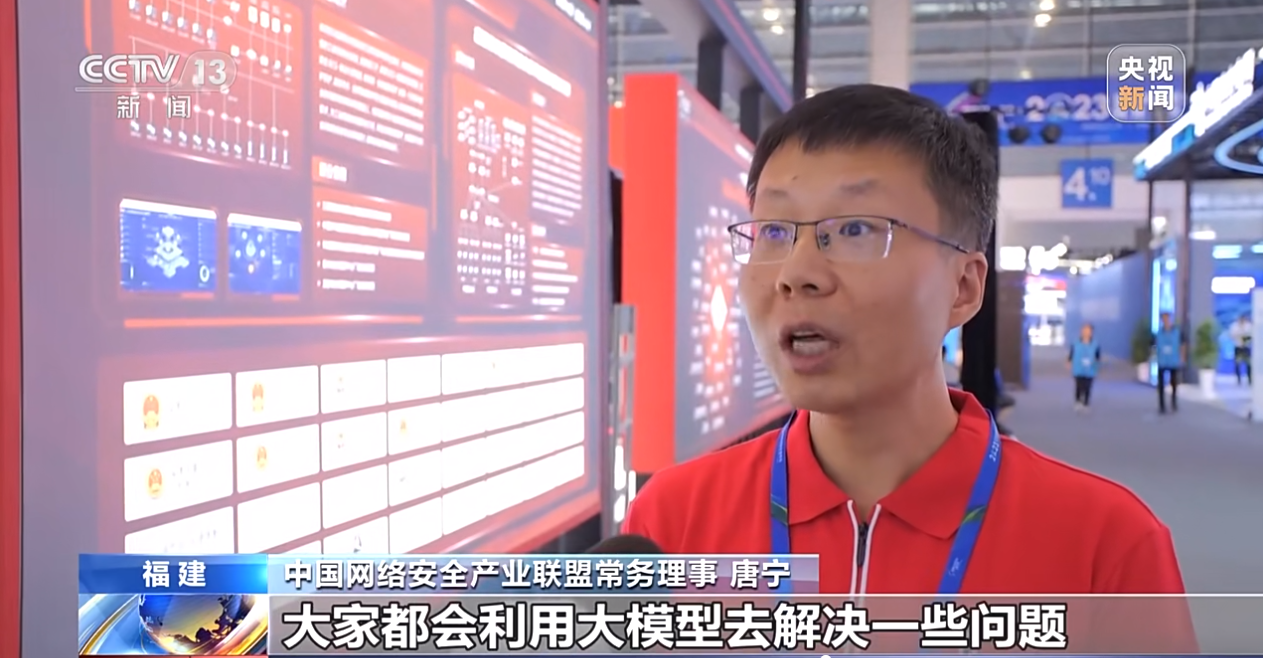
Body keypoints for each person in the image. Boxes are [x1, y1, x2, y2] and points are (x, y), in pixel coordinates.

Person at [623, 85, 1193, 650]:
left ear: (963, 287)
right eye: (774, 231)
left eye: (855, 229)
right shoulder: (672, 521)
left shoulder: (1104, 546)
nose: (797, 274)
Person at [1152, 312, 1186, 414]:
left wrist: (1182, 357)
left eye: (1167, 319)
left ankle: (1173, 403)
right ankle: (1162, 405)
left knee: (1174, 383)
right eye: (1164, 319)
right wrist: (1154, 356)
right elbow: (1154, 346)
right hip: (1162, 361)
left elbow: (1182, 345)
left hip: (1173, 361)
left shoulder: (1177, 332)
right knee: (1161, 384)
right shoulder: (1159, 333)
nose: (1166, 321)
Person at [1068, 323, 1101, 411]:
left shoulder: (1095, 344)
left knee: (1088, 386)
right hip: (1078, 368)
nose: (1086, 332)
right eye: (1084, 330)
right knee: (1079, 386)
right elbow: (1071, 353)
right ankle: (1078, 402)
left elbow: (1097, 356)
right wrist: (1069, 361)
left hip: (1090, 369)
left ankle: (1086, 403)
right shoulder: (1075, 343)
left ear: (1091, 332)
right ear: (1081, 331)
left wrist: (1097, 366)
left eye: (1088, 331)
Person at [1229, 313, 1252, 386]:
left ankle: (1250, 380)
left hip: (1246, 347)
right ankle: (1238, 380)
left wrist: (1244, 339)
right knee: (1237, 364)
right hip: (1238, 347)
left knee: (1249, 364)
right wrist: (1239, 337)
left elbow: (1251, 336)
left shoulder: (1248, 326)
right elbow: (1231, 335)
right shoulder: (1234, 326)